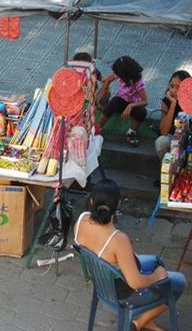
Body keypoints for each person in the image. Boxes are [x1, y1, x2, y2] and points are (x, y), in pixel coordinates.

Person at [74, 179, 188, 331]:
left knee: (157, 261)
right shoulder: (117, 239)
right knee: (179, 282)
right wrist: (157, 276)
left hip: (101, 281)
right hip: (123, 294)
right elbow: (135, 283)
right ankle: (139, 323)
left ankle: (147, 318)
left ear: (91, 201)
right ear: (118, 205)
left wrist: (125, 256)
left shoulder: (82, 219)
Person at [96, 56, 148, 147]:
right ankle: (98, 128)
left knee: (142, 112)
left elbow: (145, 101)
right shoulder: (119, 74)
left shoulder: (138, 82)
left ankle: (131, 132)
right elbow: (109, 79)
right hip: (121, 99)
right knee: (111, 104)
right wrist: (104, 89)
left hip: (134, 104)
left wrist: (131, 106)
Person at [155, 70, 191, 158]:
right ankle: (168, 170)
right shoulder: (167, 102)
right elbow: (163, 131)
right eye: (171, 86)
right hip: (173, 138)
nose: (173, 90)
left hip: (189, 138)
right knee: (161, 142)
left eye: (178, 87)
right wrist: (173, 104)